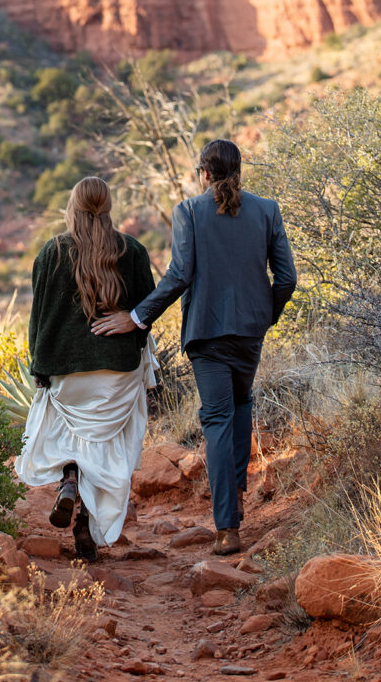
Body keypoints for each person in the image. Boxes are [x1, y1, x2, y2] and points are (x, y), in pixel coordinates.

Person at [92, 139, 297, 556]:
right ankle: (235, 499)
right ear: (238, 172)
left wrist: (135, 317)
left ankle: (227, 528)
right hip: (249, 333)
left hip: (207, 333)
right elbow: (287, 278)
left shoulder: (188, 211)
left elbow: (179, 274)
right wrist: (264, 315)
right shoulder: (267, 210)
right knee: (241, 407)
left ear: (203, 173)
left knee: (218, 420)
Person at [15, 176, 157, 563]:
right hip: (118, 373)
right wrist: (130, 319)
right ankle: (87, 527)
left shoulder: (51, 252)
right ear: (109, 207)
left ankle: (70, 479)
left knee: (68, 433)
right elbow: (150, 309)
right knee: (107, 445)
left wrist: (40, 367)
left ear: (72, 206)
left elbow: (39, 318)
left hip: (66, 371)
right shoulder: (133, 251)